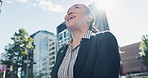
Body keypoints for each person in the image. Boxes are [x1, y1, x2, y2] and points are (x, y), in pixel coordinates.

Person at [51, 4, 120, 78]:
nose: (69, 13)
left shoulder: (105, 39)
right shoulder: (61, 51)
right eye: (68, 11)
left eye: (76, 8)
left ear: (89, 18)